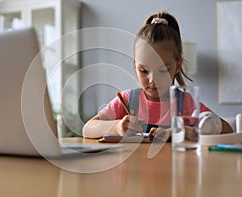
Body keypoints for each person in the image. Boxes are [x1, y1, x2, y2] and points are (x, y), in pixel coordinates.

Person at [82, 11, 233, 139]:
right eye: (144, 71)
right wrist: (117, 126)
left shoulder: (185, 102)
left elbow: (227, 129)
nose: (152, 80)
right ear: (135, 65)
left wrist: (181, 132)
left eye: (163, 70)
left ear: (177, 66)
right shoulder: (128, 100)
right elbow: (87, 129)